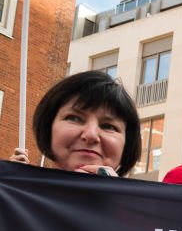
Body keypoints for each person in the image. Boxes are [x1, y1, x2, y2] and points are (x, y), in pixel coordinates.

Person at [10, 70, 141, 176]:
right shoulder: (9, 198)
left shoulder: (145, 208)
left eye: (108, 126)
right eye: (74, 118)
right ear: (48, 128)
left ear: (127, 145)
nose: (90, 134)